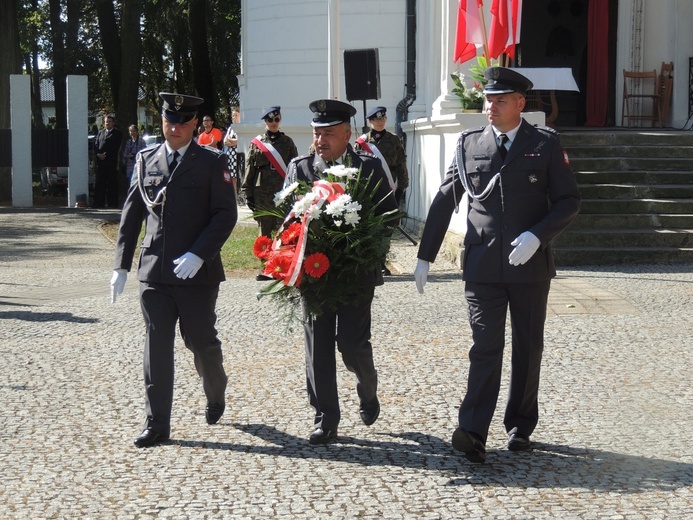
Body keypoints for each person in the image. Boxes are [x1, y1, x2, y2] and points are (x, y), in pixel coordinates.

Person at [414, 67, 581, 463]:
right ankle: (472, 431)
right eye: (489, 99)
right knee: (485, 345)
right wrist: (425, 255)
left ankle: (521, 425)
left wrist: (539, 235)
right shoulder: (470, 143)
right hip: (483, 264)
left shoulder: (544, 143)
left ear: (520, 104)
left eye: (500, 100)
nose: (491, 106)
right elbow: (444, 199)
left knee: (528, 346)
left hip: (529, 265)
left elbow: (569, 201)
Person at [110, 92, 237, 448]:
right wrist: (121, 265)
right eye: (169, 120)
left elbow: (224, 214)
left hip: (196, 272)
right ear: (161, 121)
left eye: (183, 121)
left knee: (201, 342)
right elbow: (131, 214)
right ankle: (156, 423)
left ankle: (216, 391)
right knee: (156, 344)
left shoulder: (213, 163)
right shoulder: (146, 159)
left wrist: (199, 254)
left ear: (195, 124)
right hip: (154, 271)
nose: (175, 127)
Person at [284, 99, 399, 444]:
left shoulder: (368, 168)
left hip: (355, 273)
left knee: (351, 344)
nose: (321, 140)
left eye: (329, 134)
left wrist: (363, 249)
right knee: (317, 345)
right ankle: (325, 416)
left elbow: (389, 217)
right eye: (317, 133)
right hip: (314, 275)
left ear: (348, 134)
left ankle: (367, 385)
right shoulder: (301, 169)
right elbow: (288, 223)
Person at [242, 106, 298, 279]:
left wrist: (296, 191)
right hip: (262, 192)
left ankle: (283, 265)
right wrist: (248, 193)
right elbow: (249, 169)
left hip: (283, 191)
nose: (274, 123)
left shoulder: (287, 142)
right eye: (270, 120)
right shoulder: (257, 143)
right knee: (265, 231)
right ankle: (266, 267)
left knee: (285, 230)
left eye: (277, 119)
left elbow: (294, 168)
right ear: (265, 121)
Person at [354, 106, 409, 275]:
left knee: (387, 227)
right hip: (368, 190)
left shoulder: (394, 140)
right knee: (369, 226)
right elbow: (355, 167)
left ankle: (381, 262)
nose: (380, 121)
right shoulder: (361, 142)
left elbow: (401, 164)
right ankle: (369, 262)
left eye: (383, 118)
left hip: (389, 188)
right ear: (370, 121)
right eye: (376, 119)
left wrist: (402, 187)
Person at [93, 113, 123, 208]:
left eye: (109, 122)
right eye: (106, 122)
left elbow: (115, 147)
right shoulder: (100, 132)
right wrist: (98, 154)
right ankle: (99, 203)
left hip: (110, 162)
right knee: (100, 183)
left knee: (112, 184)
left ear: (113, 123)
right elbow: (96, 144)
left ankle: (112, 204)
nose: (107, 123)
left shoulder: (117, 133)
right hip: (101, 163)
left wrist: (106, 155)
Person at [222, 109, 240, 195]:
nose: (234, 117)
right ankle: (234, 195)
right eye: (233, 115)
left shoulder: (241, 127)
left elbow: (240, 141)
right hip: (230, 155)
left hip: (238, 155)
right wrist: (233, 142)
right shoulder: (230, 128)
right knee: (232, 176)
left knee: (238, 175)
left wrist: (231, 141)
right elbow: (225, 142)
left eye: (236, 115)